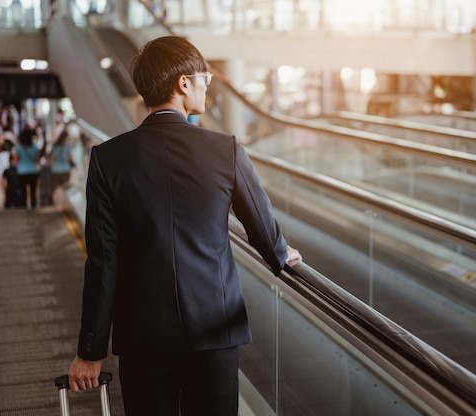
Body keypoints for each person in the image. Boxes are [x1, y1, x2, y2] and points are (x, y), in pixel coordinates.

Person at [66, 35, 302, 415]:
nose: (207, 84)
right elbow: (261, 226)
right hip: (214, 328)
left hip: (143, 336)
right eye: (205, 77)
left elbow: (103, 263)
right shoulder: (225, 149)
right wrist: (280, 253)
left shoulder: (109, 159)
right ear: (183, 83)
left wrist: (90, 351)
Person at [14, 123, 41, 208]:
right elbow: (37, 160)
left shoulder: (18, 148)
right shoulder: (35, 148)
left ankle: (24, 206)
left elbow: (16, 159)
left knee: (23, 191)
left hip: (21, 171)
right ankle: (33, 205)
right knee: (33, 191)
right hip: (33, 171)